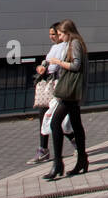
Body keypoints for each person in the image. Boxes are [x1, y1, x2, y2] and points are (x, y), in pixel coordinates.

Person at [43, 19, 88, 181]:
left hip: (69, 91)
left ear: (68, 32)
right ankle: (82, 160)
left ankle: (58, 163)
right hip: (73, 91)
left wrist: (58, 62)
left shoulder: (74, 43)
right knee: (76, 124)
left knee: (55, 123)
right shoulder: (76, 42)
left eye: (61, 34)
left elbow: (76, 66)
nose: (59, 37)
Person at [29, 23, 68, 164]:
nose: (52, 37)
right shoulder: (54, 47)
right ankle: (43, 148)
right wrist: (42, 67)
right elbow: (47, 63)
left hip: (57, 86)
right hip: (49, 85)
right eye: (50, 34)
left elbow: (59, 64)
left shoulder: (66, 46)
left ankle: (75, 142)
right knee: (45, 116)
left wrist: (52, 64)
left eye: (54, 34)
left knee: (58, 118)